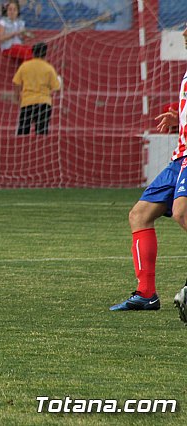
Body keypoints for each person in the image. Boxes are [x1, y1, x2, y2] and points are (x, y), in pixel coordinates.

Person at [110, 22, 187, 325]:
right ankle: (146, 294)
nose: (183, 33)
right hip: (179, 158)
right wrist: (175, 115)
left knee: (182, 212)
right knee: (139, 215)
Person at [12, 42, 60, 135]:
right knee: (42, 132)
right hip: (44, 102)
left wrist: (17, 96)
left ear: (33, 53)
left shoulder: (25, 66)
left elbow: (16, 82)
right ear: (45, 53)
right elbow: (56, 87)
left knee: (23, 130)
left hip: (27, 101)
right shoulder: (49, 68)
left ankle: (21, 148)